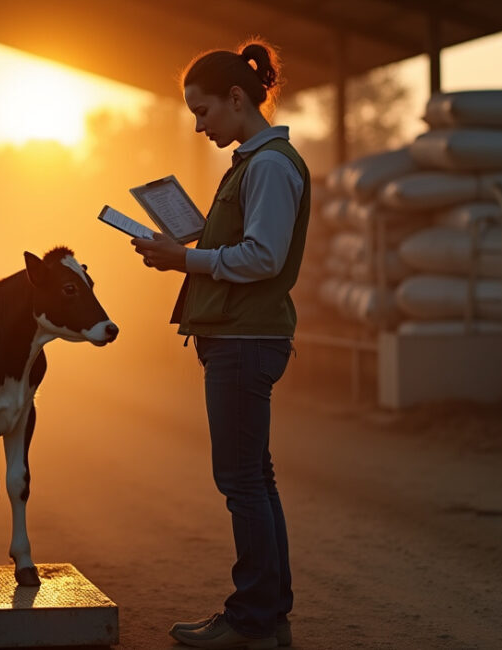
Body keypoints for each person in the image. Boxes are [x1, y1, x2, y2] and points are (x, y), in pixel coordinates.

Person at [132, 39, 309, 649]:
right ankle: (268, 614)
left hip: (246, 338)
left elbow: (264, 255)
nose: (200, 125)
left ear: (237, 98)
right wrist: (189, 248)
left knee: (240, 481)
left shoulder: (268, 166)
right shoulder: (255, 162)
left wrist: (185, 257)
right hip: (241, 336)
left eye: (203, 111)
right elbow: (245, 245)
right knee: (254, 478)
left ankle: (254, 619)